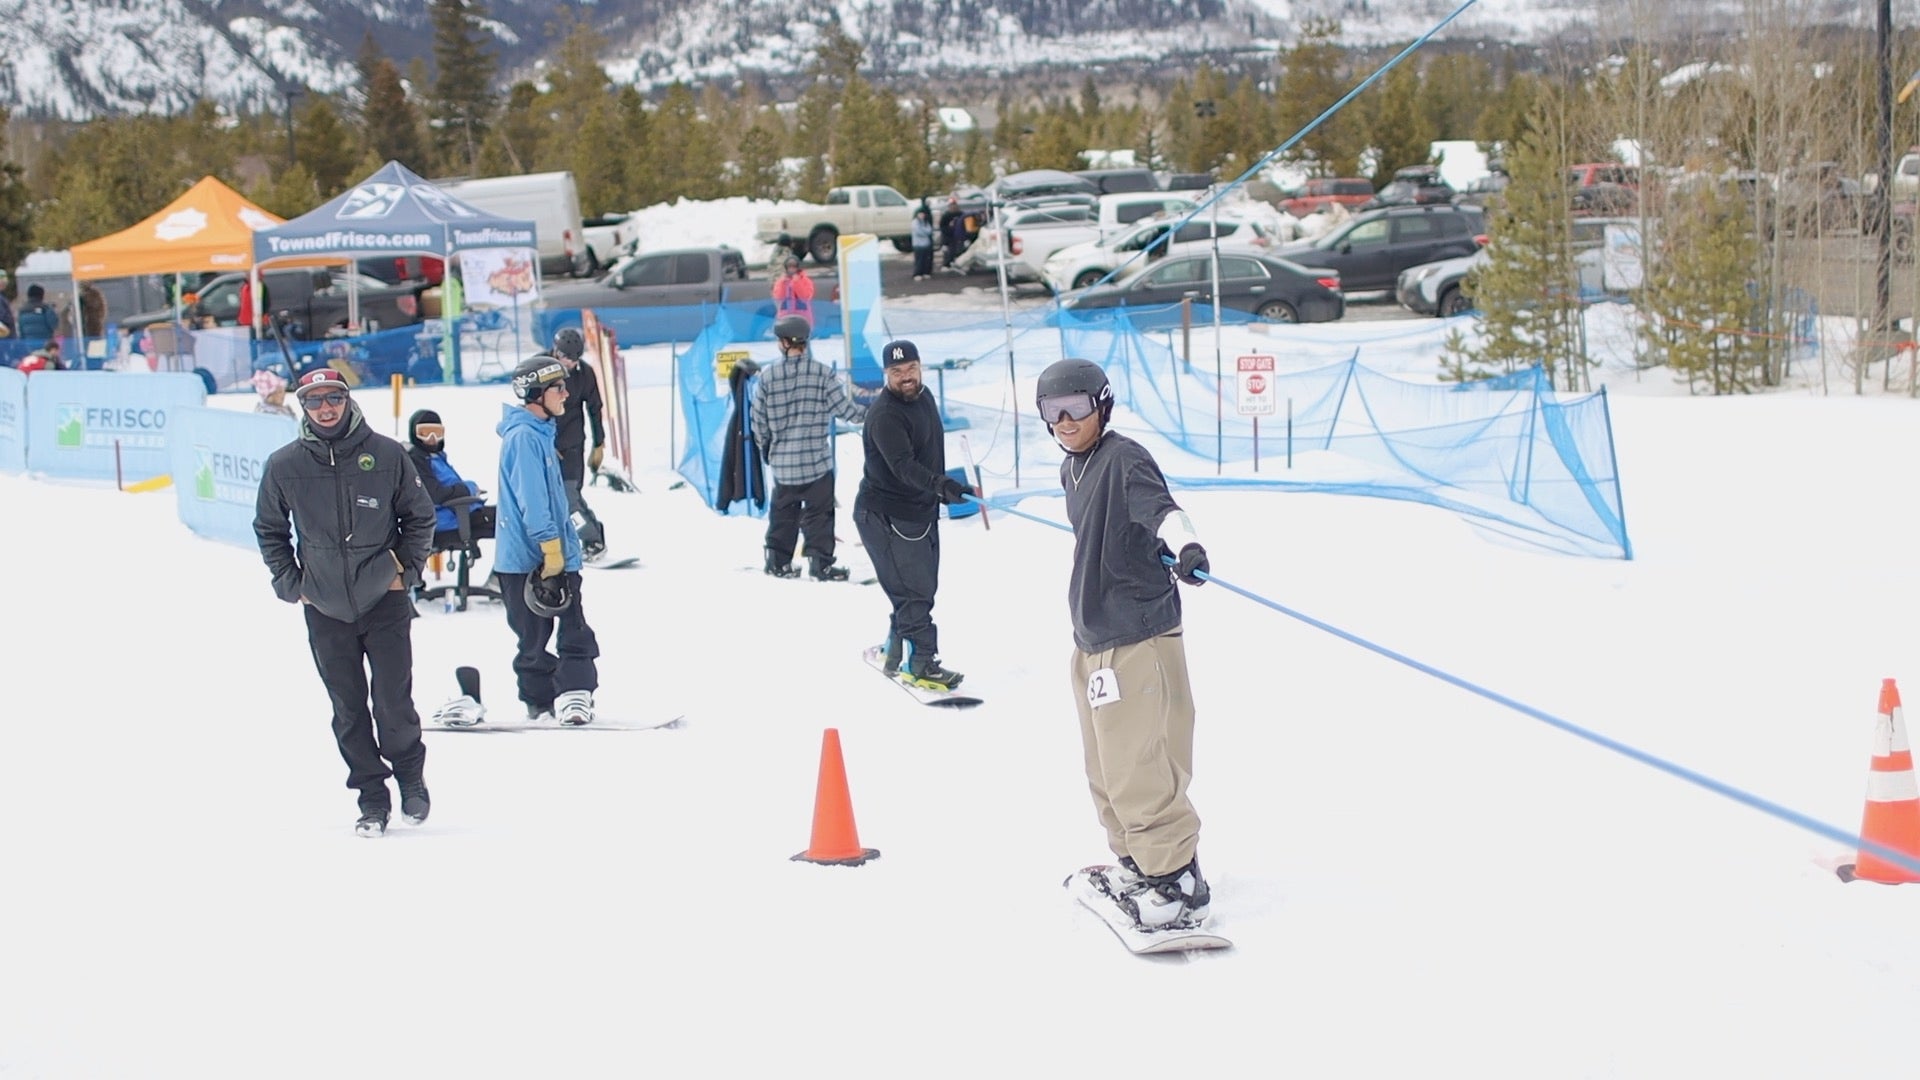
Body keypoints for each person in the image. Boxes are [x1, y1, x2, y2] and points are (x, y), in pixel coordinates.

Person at [1036, 357, 1213, 930]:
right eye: (1052, 411)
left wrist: (1184, 548)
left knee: (1142, 764)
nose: (1065, 421)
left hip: (1138, 635)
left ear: (1103, 405)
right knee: (1107, 768)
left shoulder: (1123, 458)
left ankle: (1175, 877)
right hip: (1093, 637)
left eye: (1076, 408)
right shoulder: (1073, 468)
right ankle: (1138, 863)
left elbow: (1164, 512)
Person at [253, 368, 438, 838]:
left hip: (384, 600)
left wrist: (405, 571)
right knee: (348, 709)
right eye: (314, 401)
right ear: (303, 407)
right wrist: (292, 583)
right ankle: (372, 798)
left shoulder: (387, 454)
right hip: (324, 606)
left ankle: (410, 777)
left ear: (348, 400)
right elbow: (269, 529)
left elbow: (420, 517)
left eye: (333, 398)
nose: (325, 409)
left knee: (392, 701)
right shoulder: (284, 465)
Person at [853, 339, 975, 690]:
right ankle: (920, 663)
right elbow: (903, 466)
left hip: (919, 511)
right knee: (913, 593)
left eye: (910, 368)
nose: (905, 376)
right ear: (886, 374)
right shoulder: (885, 415)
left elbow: (929, 452)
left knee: (916, 588)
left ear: (920, 367)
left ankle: (895, 651)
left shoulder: (924, 398)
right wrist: (941, 485)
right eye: (896, 372)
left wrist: (942, 488)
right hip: (887, 515)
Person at [495, 355, 601, 726]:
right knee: (533, 637)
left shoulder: (540, 433)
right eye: (558, 388)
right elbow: (533, 500)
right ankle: (539, 700)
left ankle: (574, 692)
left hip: (556, 554)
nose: (566, 394)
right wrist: (549, 548)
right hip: (530, 559)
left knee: (575, 629)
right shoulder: (524, 438)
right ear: (536, 394)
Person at [749, 313, 868, 581]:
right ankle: (820, 563)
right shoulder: (823, 373)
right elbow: (845, 410)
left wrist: (766, 446)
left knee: (783, 514)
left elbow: (758, 419)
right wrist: (872, 414)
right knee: (820, 515)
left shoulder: (768, 378)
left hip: (783, 465)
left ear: (784, 343)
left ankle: (778, 561)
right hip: (816, 463)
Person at [548, 327, 607, 560]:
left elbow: (595, 408)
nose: (570, 364)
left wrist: (599, 443)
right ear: (556, 352)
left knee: (569, 498)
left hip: (571, 445)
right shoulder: (540, 367)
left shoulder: (584, 373)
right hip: (545, 445)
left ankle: (592, 539)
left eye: (575, 359)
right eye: (566, 358)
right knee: (548, 500)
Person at [406, 408, 495, 547]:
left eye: (437, 433)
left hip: (459, 513)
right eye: (424, 433)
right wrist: (468, 489)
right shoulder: (417, 460)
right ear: (414, 433)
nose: (431, 438)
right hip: (447, 520)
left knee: (510, 516)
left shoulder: (435, 457)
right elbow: (434, 494)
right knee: (508, 520)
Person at [772, 254, 815, 325]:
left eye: (794, 266)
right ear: (786, 268)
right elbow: (778, 297)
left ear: (798, 267)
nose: (791, 269)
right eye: (789, 266)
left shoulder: (806, 281)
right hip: (785, 317)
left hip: (802, 317)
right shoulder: (781, 281)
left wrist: (797, 282)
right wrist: (783, 283)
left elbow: (806, 297)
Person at [910, 207, 936, 281]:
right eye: (920, 214)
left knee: (926, 259)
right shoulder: (915, 222)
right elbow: (919, 232)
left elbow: (929, 230)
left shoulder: (926, 222)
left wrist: (925, 231)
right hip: (918, 244)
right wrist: (925, 232)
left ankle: (925, 272)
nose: (922, 215)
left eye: (923, 214)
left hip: (926, 244)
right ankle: (917, 274)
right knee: (919, 260)